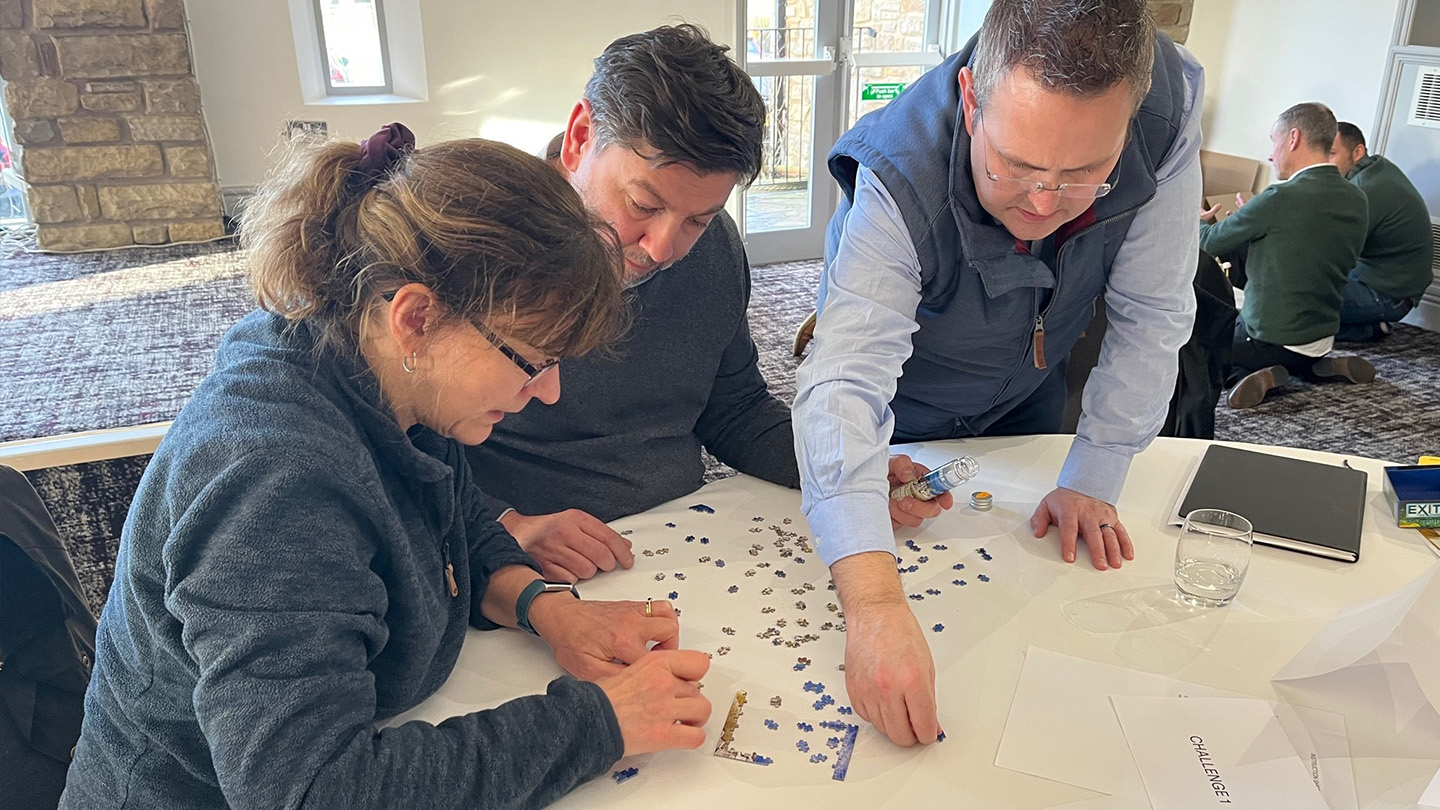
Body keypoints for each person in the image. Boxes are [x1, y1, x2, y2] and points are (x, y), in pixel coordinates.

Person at [60, 125, 712, 810]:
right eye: (532, 360)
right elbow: (313, 790)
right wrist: (598, 724)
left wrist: (543, 607)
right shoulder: (275, 485)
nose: (548, 392)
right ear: (418, 317)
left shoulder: (380, 367)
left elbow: (450, 519)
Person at [793, 0, 1204, 746]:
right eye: (1016, 165)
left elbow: (1152, 311)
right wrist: (875, 606)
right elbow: (845, 381)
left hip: (1032, 388)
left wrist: (1096, 472)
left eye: (1084, 174)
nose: (1043, 203)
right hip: (908, 405)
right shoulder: (898, 166)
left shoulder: (1166, 110)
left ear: (1131, 118)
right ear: (971, 99)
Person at [464, 25, 805, 583]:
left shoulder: (715, 249)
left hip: (682, 534)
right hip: (521, 561)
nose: (663, 249)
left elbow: (735, 408)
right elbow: (396, 447)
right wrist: (504, 525)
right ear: (580, 137)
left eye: (697, 220)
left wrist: (840, 470)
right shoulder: (473, 243)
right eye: (643, 205)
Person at [1198, 103, 1371, 409]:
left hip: (1267, 339)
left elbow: (1208, 241)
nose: (1270, 155)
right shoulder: (1357, 198)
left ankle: (1258, 373)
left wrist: (1195, 218)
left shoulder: (1280, 197)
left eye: (1273, 141)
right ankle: (1312, 368)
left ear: (1293, 138)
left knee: (1192, 342)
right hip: (1321, 337)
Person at [1329, 121, 1433, 342]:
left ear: (1358, 152)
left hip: (1389, 295)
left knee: (1296, 301)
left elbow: (1331, 250)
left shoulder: (1365, 189)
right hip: (1380, 281)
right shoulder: (1376, 169)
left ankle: (1366, 330)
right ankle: (1366, 324)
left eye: (1331, 154)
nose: (1324, 163)